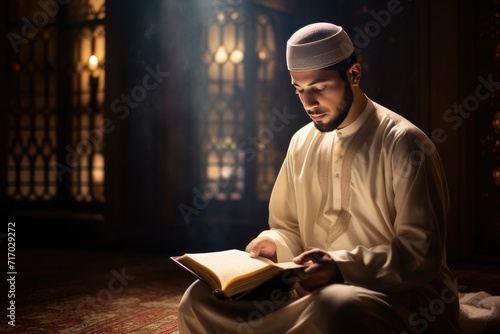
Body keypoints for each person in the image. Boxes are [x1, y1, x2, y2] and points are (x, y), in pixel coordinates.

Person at [178, 22, 459, 333]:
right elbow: (287, 227)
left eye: (319, 87)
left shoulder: (404, 143)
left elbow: (420, 253)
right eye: (299, 89)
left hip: (398, 295)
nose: (308, 103)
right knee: (198, 298)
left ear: (353, 75)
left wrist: (339, 267)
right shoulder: (301, 141)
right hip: (311, 290)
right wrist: (273, 244)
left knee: (336, 309)